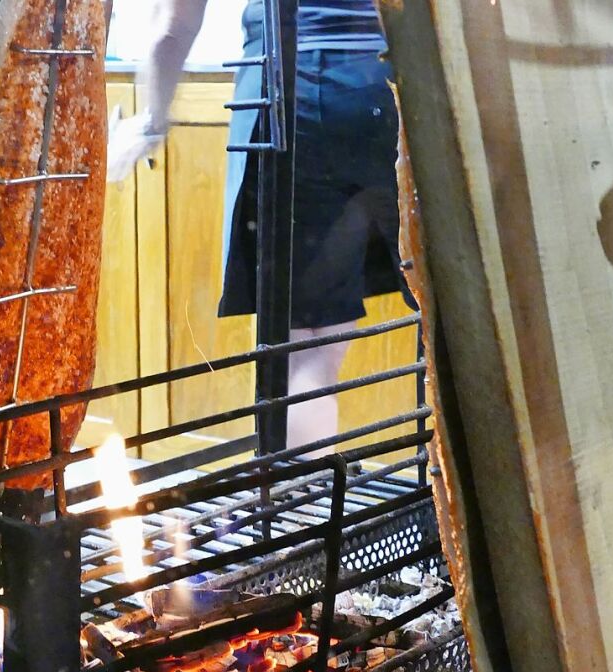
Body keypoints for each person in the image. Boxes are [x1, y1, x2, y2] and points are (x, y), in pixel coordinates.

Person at [108, 0, 416, 456]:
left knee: (304, 347)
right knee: (331, 341)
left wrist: (151, 120)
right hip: (383, 90)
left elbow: (172, 25)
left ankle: (306, 507)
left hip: (297, 94)